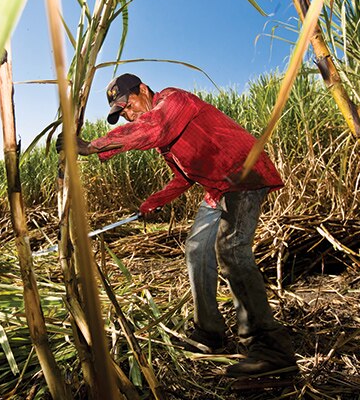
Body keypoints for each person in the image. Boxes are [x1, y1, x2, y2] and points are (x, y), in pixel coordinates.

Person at [57, 73, 298, 378]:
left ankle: (270, 347)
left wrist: (93, 146)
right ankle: (210, 332)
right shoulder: (166, 142)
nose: (128, 114)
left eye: (128, 104)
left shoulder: (174, 99)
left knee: (232, 250)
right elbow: (182, 178)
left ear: (143, 89)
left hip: (243, 173)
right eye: (122, 114)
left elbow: (154, 127)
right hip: (218, 188)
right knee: (197, 249)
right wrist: (150, 204)